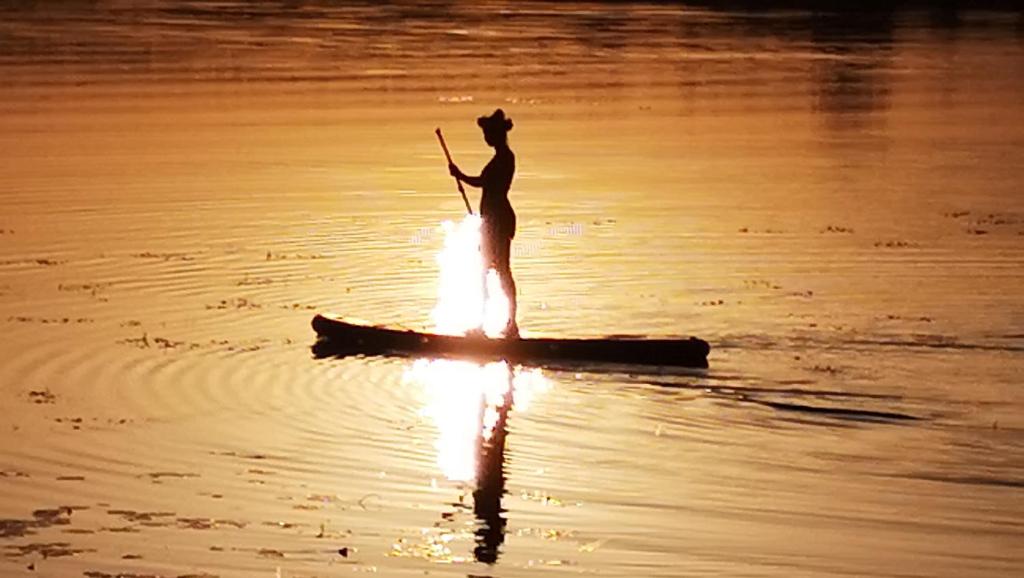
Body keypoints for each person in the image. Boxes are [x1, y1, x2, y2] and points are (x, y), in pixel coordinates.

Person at [449, 109, 519, 338]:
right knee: (492, 272)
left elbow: (483, 182)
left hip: (497, 221)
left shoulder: (505, 158)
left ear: (497, 135)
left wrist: (460, 175)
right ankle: (497, 324)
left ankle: (506, 324)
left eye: (488, 134)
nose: (486, 138)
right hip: (493, 220)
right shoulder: (502, 158)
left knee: (498, 272)